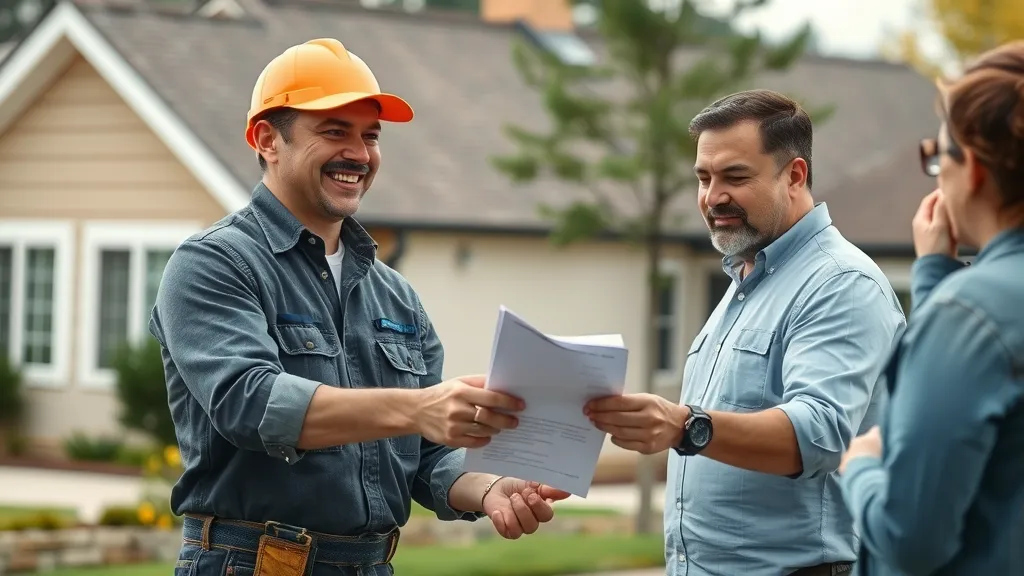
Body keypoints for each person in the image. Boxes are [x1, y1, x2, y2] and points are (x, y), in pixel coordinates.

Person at [149, 38, 569, 576]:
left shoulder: (395, 294)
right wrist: (420, 407)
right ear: (266, 140)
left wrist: (490, 487)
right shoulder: (213, 264)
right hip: (251, 563)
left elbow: (425, 456)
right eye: (334, 131)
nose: (359, 153)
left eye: (370, 136)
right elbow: (250, 404)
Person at [583, 89, 907, 576]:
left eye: (735, 176)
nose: (713, 197)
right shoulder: (745, 279)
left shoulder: (841, 283)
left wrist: (683, 426)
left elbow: (817, 434)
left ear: (794, 175)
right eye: (703, 178)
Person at [838, 40, 1024, 576]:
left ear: (977, 171)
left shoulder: (968, 317)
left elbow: (909, 541)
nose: (935, 171)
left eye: (938, 155)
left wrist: (863, 466)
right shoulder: (969, 311)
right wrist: (937, 276)